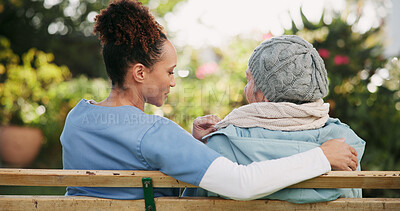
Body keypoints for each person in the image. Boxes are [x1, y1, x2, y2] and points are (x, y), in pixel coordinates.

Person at [60, 0, 358, 200]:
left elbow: (127, 152)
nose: (173, 81)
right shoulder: (157, 134)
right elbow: (242, 183)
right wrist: (322, 156)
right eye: (169, 71)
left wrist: (191, 144)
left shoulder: (77, 118)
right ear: (139, 72)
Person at [184, 35, 365, 203]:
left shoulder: (223, 144)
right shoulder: (344, 144)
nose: (245, 89)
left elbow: (192, 202)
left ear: (264, 95)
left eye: (249, 80)